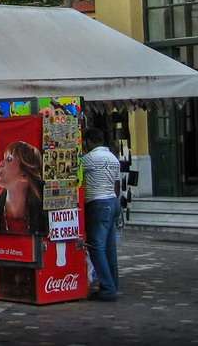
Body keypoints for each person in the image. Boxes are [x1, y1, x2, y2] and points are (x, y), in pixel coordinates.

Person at [81, 128, 122, 301]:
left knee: (96, 247)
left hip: (98, 203)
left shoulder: (89, 159)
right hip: (113, 202)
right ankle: (113, 284)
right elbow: (117, 185)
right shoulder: (113, 158)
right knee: (110, 248)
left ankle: (107, 288)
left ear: (89, 141)